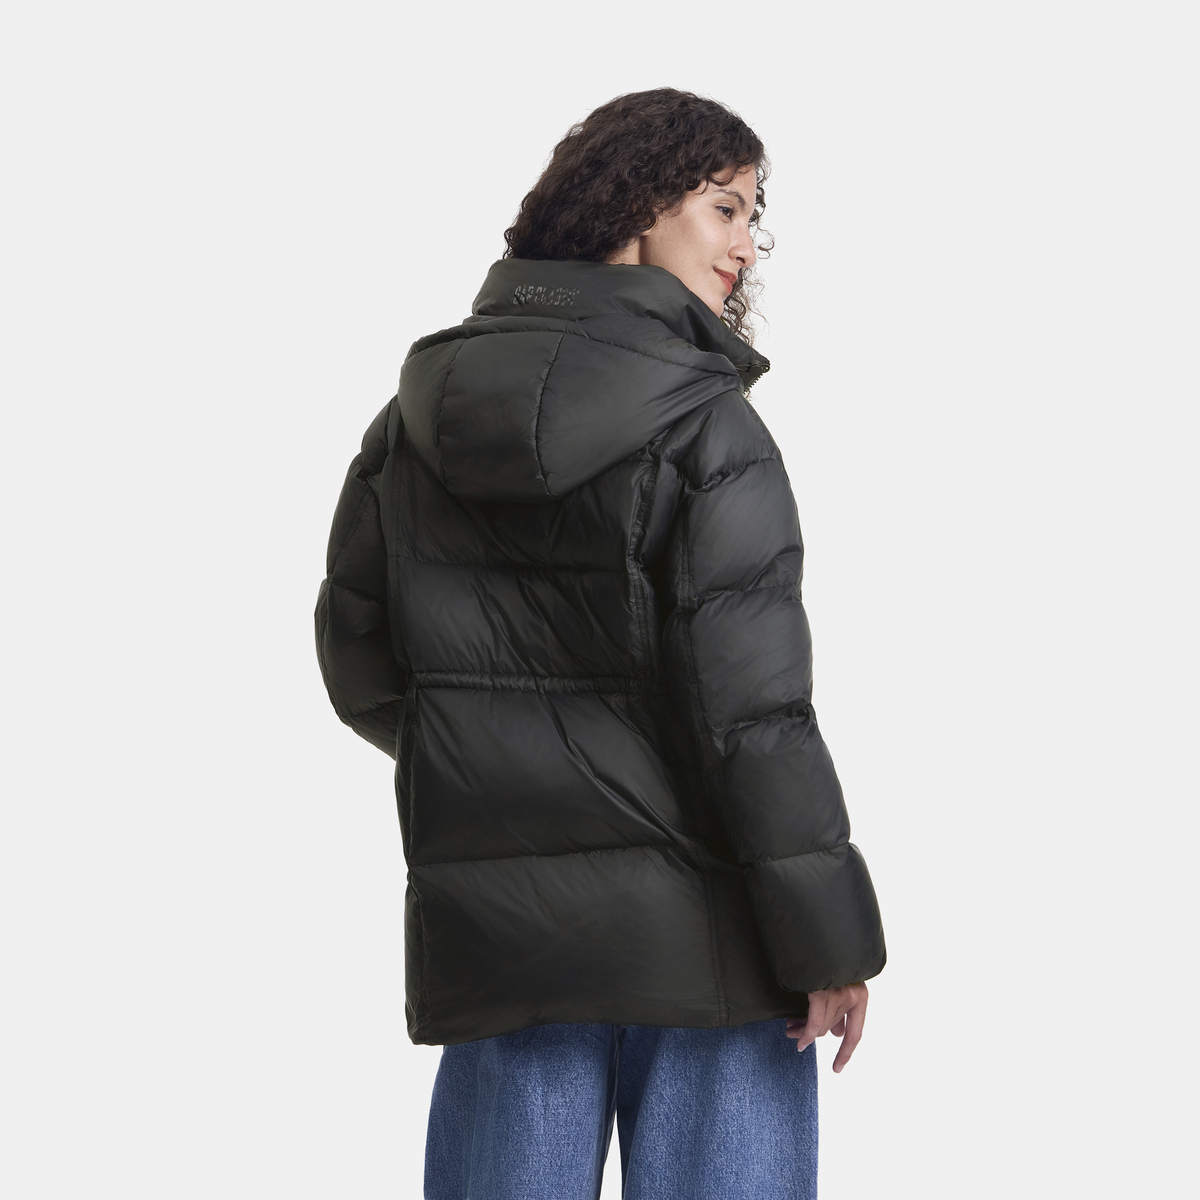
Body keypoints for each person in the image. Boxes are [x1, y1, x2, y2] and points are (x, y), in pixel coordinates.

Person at [315, 88, 886, 1200]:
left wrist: (506, 771)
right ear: (639, 205)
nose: (745, 246)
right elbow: (753, 717)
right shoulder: (710, 429)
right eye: (725, 208)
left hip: (502, 947)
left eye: (752, 217)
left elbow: (359, 656)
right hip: (715, 947)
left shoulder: (417, 419)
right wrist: (829, 942)